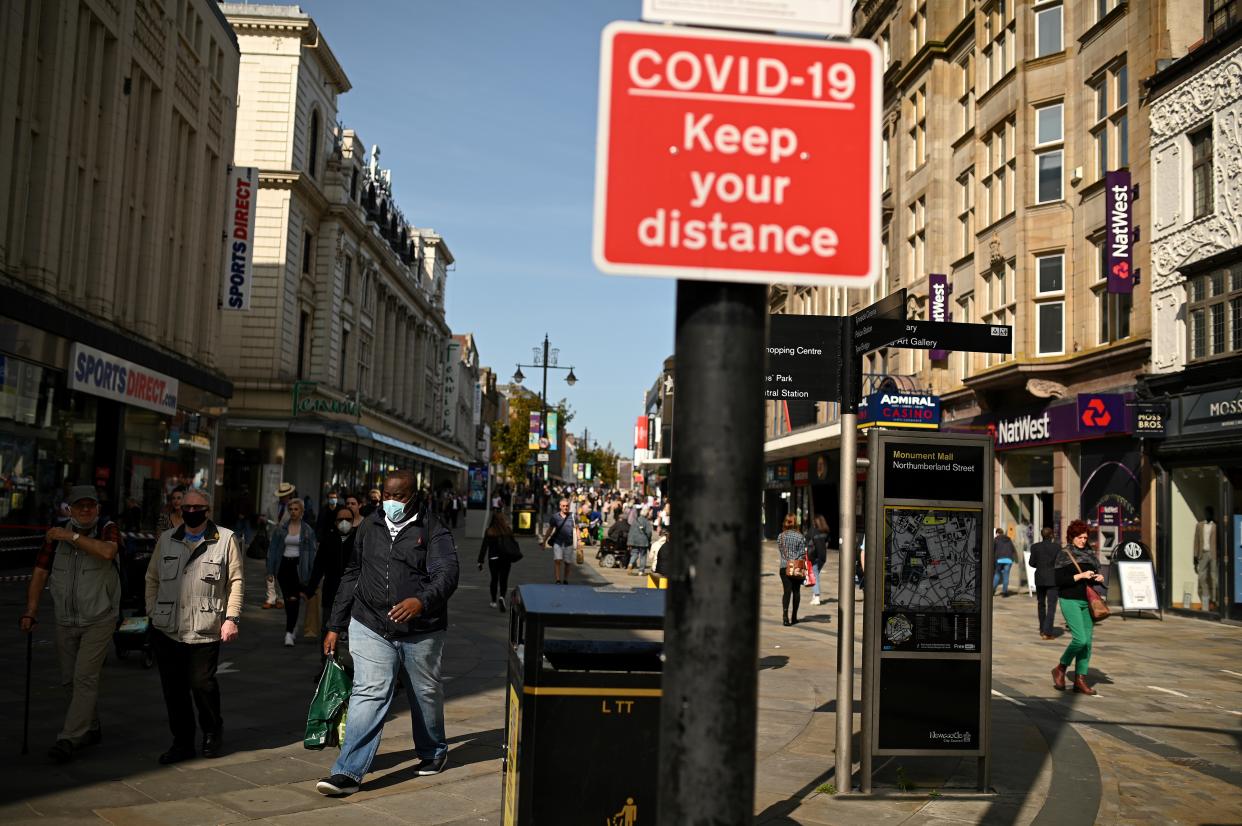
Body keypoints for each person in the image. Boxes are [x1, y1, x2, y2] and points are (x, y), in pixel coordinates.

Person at [316, 470, 460, 796]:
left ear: (413, 496)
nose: (391, 502)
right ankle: (348, 773)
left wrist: (421, 602)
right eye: (387, 495)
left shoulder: (433, 528)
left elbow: (447, 574)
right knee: (369, 693)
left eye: (399, 496)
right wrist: (335, 625)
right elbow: (353, 571)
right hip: (370, 623)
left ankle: (434, 750)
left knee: (425, 695)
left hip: (421, 630)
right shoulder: (370, 524)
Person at [20, 485, 121, 764]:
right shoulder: (55, 535)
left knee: (84, 677)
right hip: (65, 618)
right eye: (80, 506)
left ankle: (69, 737)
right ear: (70, 508)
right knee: (69, 680)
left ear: (98, 509)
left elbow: (108, 552)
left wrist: (72, 536)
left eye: (90, 505)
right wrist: (31, 610)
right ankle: (91, 726)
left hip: (100, 617)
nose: (85, 510)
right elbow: (40, 573)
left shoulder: (107, 528)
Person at [145, 489, 243, 763]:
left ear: (207, 510)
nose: (190, 510)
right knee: (173, 690)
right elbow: (151, 578)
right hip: (168, 627)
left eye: (196, 506)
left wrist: (231, 618)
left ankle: (212, 730)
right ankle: (182, 742)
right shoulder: (167, 539)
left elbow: (235, 581)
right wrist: (153, 611)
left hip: (204, 626)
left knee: (202, 684)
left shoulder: (225, 539)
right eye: (186, 506)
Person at [1051, 520, 1105, 696]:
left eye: (1085, 537)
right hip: (1069, 599)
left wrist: (1098, 578)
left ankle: (1080, 679)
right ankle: (1061, 667)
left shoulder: (1090, 555)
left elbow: (1091, 578)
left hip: (1086, 601)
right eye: (1080, 537)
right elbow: (1059, 581)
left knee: (1088, 643)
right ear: (1072, 537)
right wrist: (1081, 575)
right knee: (1080, 639)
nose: (1083, 540)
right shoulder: (1064, 554)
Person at [267, 499, 317, 647]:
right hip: (284, 567)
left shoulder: (308, 530)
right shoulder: (281, 529)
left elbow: (312, 553)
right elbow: (273, 550)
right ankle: (292, 625)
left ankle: (289, 633)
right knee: (289, 600)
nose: (293, 512)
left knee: (293, 600)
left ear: (301, 511)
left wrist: (312, 573)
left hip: (298, 567)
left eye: (296, 509)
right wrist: (270, 571)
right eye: (291, 509)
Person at [308, 505, 356, 657]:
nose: (344, 522)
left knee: (355, 632)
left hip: (355, 594)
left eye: (348, 519)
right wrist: (310, 588)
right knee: (328, 630)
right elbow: (318, 566)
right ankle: (327, 667)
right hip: (331, 593)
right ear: (335, 522)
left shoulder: (358, 540)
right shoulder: (328, 540)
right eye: (340, 519)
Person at [478, 511, 517, 611]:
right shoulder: (508, 530)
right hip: (506, 558)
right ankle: (502, 597)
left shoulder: (489, 531)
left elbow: (484, 547)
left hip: (493, 558)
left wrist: (480, 561)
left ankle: (493, 601)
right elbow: (514, 543)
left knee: (494, 579)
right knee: (504, 579)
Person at [1029, 526, 1061, 639]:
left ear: (1042, 535)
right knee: (1051, 606)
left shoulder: (1035, 547)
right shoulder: (1057, 547)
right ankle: (1047, 632)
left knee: (1041, 604)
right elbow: (1060, 563)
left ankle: (1042, 629)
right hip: (1053, 579)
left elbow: (1031, 563)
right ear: (1052, 535)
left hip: (1040, 578)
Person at [777, 514, 806, 626]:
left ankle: (785, 617)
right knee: (796, 591)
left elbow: (781, 550)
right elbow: (802, 553)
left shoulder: (781, 536)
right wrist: (795, 559)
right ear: (795, 523)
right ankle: (794, 617)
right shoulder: (800, 536)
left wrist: (788, 559)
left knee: (786, 591)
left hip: (784, 567)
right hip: (796, 567)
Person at [542, 497, 579, 584]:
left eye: (567, 506)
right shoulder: (555, 517)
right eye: (563, 506)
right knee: (557, 560)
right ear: (560, 506)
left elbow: (577, 529)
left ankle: (565, 579)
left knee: (567, 562)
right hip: (557, 542)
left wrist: (579, 540)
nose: (565, 507)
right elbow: (550, 529)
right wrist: (544, 541)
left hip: (569, 543)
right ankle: (558, 579)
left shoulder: (573, 516)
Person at [1194, 506, 1218, 612]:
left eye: (1209, 512)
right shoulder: (1199, 525)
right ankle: (1206, 603)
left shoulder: (1216, 525)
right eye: (1206, 512)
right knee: (1202, 578)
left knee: (1214, 578)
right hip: (1203, 554)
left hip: (1213, 554)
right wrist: (1194, 556)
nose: (1207, 514)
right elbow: (1196, 541)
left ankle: (1215, 601)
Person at [808, 514, 830, 606]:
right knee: (815, 575)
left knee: (814, 576)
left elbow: (807, 540)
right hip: (822, 557)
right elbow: (827, 543)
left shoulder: (813, 531)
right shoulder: (826, 532)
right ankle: (814, 595)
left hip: (813, 556)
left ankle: (817, 596)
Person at [626, 506, 653, 577]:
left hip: (634, 541)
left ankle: (630, 564)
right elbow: (649, 532)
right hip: (643, 541)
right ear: (646, 514)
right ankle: (641, 571)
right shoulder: (647, 522)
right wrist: (649, 539)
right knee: (643, 556)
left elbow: (631, 532)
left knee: (634, 554)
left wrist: (629, 542)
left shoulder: (635, 521)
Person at [992, 528, 1016, 597]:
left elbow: (992, 550)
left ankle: (993, 591)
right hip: (1008, 559)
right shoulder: (1009, 539)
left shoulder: (996, 539)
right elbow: (1013, 549)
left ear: (997, 533)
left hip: (999, 559)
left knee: (997, 575)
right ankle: (1004, 592)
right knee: (1006, 576)